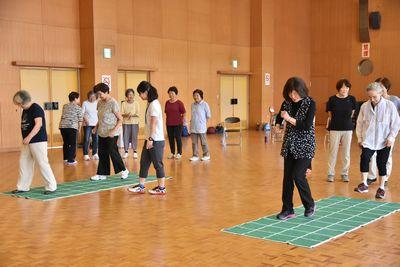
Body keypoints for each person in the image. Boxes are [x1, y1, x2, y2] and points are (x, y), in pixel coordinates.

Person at [275, 77, 316, 220]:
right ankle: (287, 209)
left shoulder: (310, 103)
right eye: (290, 93)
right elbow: (279, 118)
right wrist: (277, 126)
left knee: (298, 175)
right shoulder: (286, 103)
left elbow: (306, 125)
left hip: (305, 146)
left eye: (295, 93)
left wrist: (288, 119)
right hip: (289, 145)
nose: (293, 96)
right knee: (287, 179)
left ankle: (309, 204)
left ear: (301, 90)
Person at [354, 82, 400, 199]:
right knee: (364, 158)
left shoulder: (390, 106)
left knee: (382, 163)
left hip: (384, 141)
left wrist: (391, 138)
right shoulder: (365, 106)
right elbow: (359, 124)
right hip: (368, 140)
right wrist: (359, 138)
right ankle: (364, 183)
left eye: (374, 96)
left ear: (380, 93)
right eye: (370, 97)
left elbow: (395, 124)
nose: (372, 99)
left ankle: (381, 188)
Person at [12, 90, 57, 194]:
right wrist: (26, 139)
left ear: (22, 102)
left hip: (38, 140)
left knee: (42, 163)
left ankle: (51, 186)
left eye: (19, 104)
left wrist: (28, 137)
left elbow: (38, 124)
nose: (18, 106)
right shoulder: (25, 110)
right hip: (27, 142)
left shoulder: (36, 108)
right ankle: (23, 187)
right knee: (24, 163)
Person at [128, 81, 166, 195]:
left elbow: (154, 123)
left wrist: (150, 139)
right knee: (144, 162)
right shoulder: (150, 103)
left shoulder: (154, 104)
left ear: (146, 92)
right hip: (149, 139)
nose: (139, 96)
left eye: (140, 93)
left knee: (158, 164)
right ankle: (141, 186)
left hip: (155, 140)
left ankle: (162, 188)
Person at [90, 83, 129, 181]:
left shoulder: (113, 103)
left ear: (106, 92)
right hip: (102, 132)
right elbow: (101, 118)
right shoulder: (99, 103)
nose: (99, 96)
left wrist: (113, 131)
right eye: (98, 94)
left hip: (112, 132)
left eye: (100, 94)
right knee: (102, 152)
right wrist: (95, 127)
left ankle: (124, 170)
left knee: (112, 151)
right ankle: (102, 174)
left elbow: (120, 119)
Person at [367, 77, 400, 186]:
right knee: (372, 155)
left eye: (381, 86)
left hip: (389, 133)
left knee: (387, 156)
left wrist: (392, 135)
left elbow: (396, 119)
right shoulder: (372, 100)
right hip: (375, 133)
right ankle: (371, 176)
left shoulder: (394, 100)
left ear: (386, 88)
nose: (379, 88)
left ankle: (385, 177)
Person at [326, 79, 356, 182]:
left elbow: (352, 113)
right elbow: (330, 114)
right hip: (334, 128)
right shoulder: (332, 99)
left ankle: (344, 173)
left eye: (347, 87)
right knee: (333, 151)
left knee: (346, 152)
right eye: (342, 87)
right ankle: (330, 173)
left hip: (348, 128)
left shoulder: (352, 99)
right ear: (338, 88)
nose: (345, 89)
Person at [59, 92, 83, 165]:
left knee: (66, 143)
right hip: (72, 127)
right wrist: (79, 129)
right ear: (75, 99)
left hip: (63, 126)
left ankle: (66, 158)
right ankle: (71, 160)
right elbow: (80, 120)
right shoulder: (78, 108)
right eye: (78, 98)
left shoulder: (65, 106)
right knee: (72, 143)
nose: (79, 99)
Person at [189, 89, 211, 161]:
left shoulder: (205, 104)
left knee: (203, 142)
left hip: (201, 127)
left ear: (201, 96)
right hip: (193, 127)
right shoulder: (192, 105)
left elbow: (208, 116)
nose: (195, 97)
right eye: (194, 95)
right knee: (194, 143)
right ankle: (195, 155)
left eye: (197, 95)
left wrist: (203, 123)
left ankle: (206, 155)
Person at [165, 86, 186, 159]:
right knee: (170, 138)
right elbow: (166, 112)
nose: (171, 94)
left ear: (176, 94)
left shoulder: (179, 103)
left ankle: (179, 153)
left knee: (178, 138)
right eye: (169, 93)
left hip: (178, 123)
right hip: (169, 123)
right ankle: (172, 152)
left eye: (172, 93)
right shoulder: (167, 102)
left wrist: (183, 121)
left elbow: (184, 112)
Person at [121, 88, 140, 159]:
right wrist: (127, 115)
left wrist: (131, 115)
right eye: (129, 94)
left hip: (135, 123)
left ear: (134, 95)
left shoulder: (136, 103)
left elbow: (138, 113)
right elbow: (121, 113)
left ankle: (135, 151)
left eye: (132, 94)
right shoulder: (123, 103)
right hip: (126, 123)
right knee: (125, 137)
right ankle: (126, 151)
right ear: (126, 96)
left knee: (134, 137)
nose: (130, 96)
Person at [82, 90, 99, 161]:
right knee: (86, 139)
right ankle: (85, 154)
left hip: (95, 123)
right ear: (88, 96)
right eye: (91, 97)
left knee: (96, 139)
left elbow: (99, 112)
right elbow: (82, 113)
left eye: (94, 97)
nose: (92, 98)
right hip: (87, 124)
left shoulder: (97, 103)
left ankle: (95, 153)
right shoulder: (85, 103)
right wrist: (86, 120)